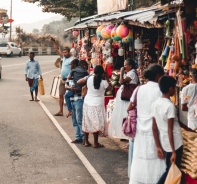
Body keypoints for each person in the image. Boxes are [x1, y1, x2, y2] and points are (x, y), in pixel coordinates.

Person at [128, 64, 166, 184]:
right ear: (158, 76)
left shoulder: (139, 89)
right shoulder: (161, 90)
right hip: (157, 131)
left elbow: (130, 107)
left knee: (141, 158)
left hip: (140, 129)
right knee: (157, 159)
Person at [152, 75, 183, 184]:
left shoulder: (155, 104)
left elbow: (154, 127)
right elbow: (171, 130)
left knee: (170, 170)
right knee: (171, 171)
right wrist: (174, 151)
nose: (175, 90)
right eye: (174, 87)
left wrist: (158, 146)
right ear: (171, 89)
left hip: (165, 142)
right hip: (175, 143)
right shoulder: (170, 106)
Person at [78, 65, 112, 148]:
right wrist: (107, 78)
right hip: (98, 104)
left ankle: (86, 141)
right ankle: (96, 142)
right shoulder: (104, 82)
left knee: (87, 121)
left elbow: (80, 82)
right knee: (96, 122)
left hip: (88, 102)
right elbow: (110, 88)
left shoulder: (89, 79)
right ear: (102, 73)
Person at [108, 58, 139, 141]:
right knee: (122, 115)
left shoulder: (132, 73)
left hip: (127, 98)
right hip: (123, 98)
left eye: (125, 65)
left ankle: (127, 134)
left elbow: (121, 82)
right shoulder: (129, 73)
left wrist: (121, 72)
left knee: (126, 115)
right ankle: (123, 133)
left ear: (130, 66)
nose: (124, 66)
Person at [51, 37, 73, 116]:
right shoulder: (63, 57)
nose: (64, 53)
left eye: (65, 52)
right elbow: (57, 49)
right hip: (62, 79)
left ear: (69, 52)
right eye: (63, 52)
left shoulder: (71, 59)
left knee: (70, 95)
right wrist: (54, 42)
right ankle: (61, 111)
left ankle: (71, 110)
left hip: (69, 80)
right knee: (61, 95)